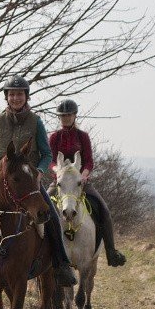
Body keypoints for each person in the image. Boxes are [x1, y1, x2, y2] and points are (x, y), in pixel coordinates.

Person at [0, 76, 78, 288]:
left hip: (28, 182)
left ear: (26, 97)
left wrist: (38, 171)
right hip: (3, 181)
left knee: (52, 218)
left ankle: (61, 265)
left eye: (20, 94)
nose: (16, 98)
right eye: (12, 94)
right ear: (7, 97)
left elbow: (46, 153)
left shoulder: (36, 121)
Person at [49, 99, 126, 267]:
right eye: (62, 116)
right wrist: (57, 171)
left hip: (80, 181)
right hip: (60, 181)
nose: (66, 118)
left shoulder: (82, 136)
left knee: (103, 208)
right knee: (42, 205)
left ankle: (111, 251)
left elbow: (89, 161)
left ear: (75, 116)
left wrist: (84, 175)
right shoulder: (54, 137)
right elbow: (51, 160)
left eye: (68, 115)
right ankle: (41, 256)